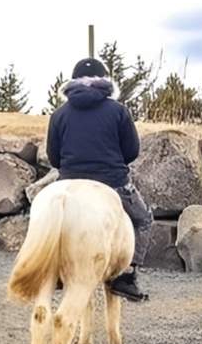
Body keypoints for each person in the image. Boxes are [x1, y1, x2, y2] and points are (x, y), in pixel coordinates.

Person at [45, 57, 151, 301]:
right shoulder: (118, 111)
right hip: (112, 182)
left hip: (69, 182)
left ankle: (54, 268)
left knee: (47, 217)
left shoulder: (59, 114)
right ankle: (126, 276)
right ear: (104, 80)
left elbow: (54, 158)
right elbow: (132, 151)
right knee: (143, 219)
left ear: (73, 82)